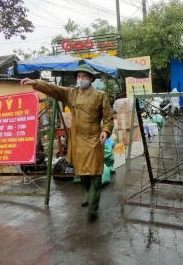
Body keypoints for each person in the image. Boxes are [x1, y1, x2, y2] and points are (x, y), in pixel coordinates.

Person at [20, 61, 114, 220]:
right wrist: (36, 83)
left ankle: (93, 207)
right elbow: (54, 88)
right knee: (82, 174)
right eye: (78, 76)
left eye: (84, 76)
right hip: (77, 140)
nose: (81, 78)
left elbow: (108, 118)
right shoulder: (72, 93)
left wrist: (105, 130)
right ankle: (89, 194)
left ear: (91, 78)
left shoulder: (100, 95)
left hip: (94, 139)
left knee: (96, 174)